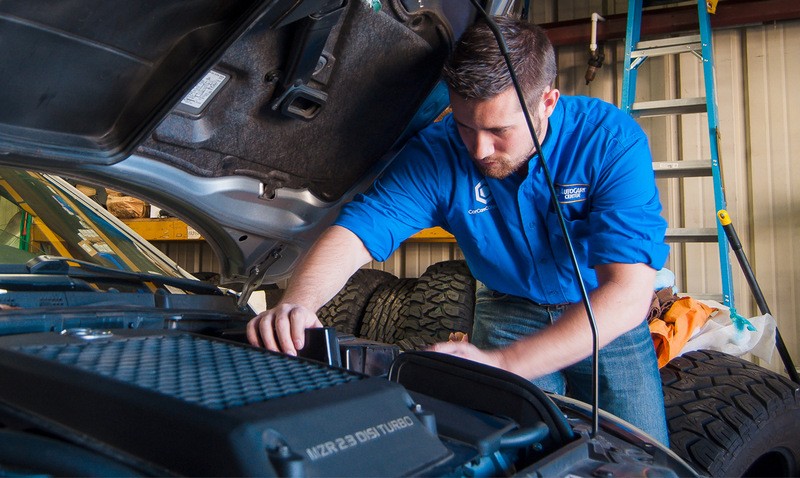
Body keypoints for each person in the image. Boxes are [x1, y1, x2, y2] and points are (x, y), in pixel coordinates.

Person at [247, 16, 670, 445]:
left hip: (601, 315)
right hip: (507, 309)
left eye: (499, 130)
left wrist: (504, 363)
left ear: (547, 101)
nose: (479, 149)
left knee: (642, 451)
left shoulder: (609, 142)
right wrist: (299, 303)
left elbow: (627, 295)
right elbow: (357, 232)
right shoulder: (438, 153)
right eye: (466, 126)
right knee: (518, 450)